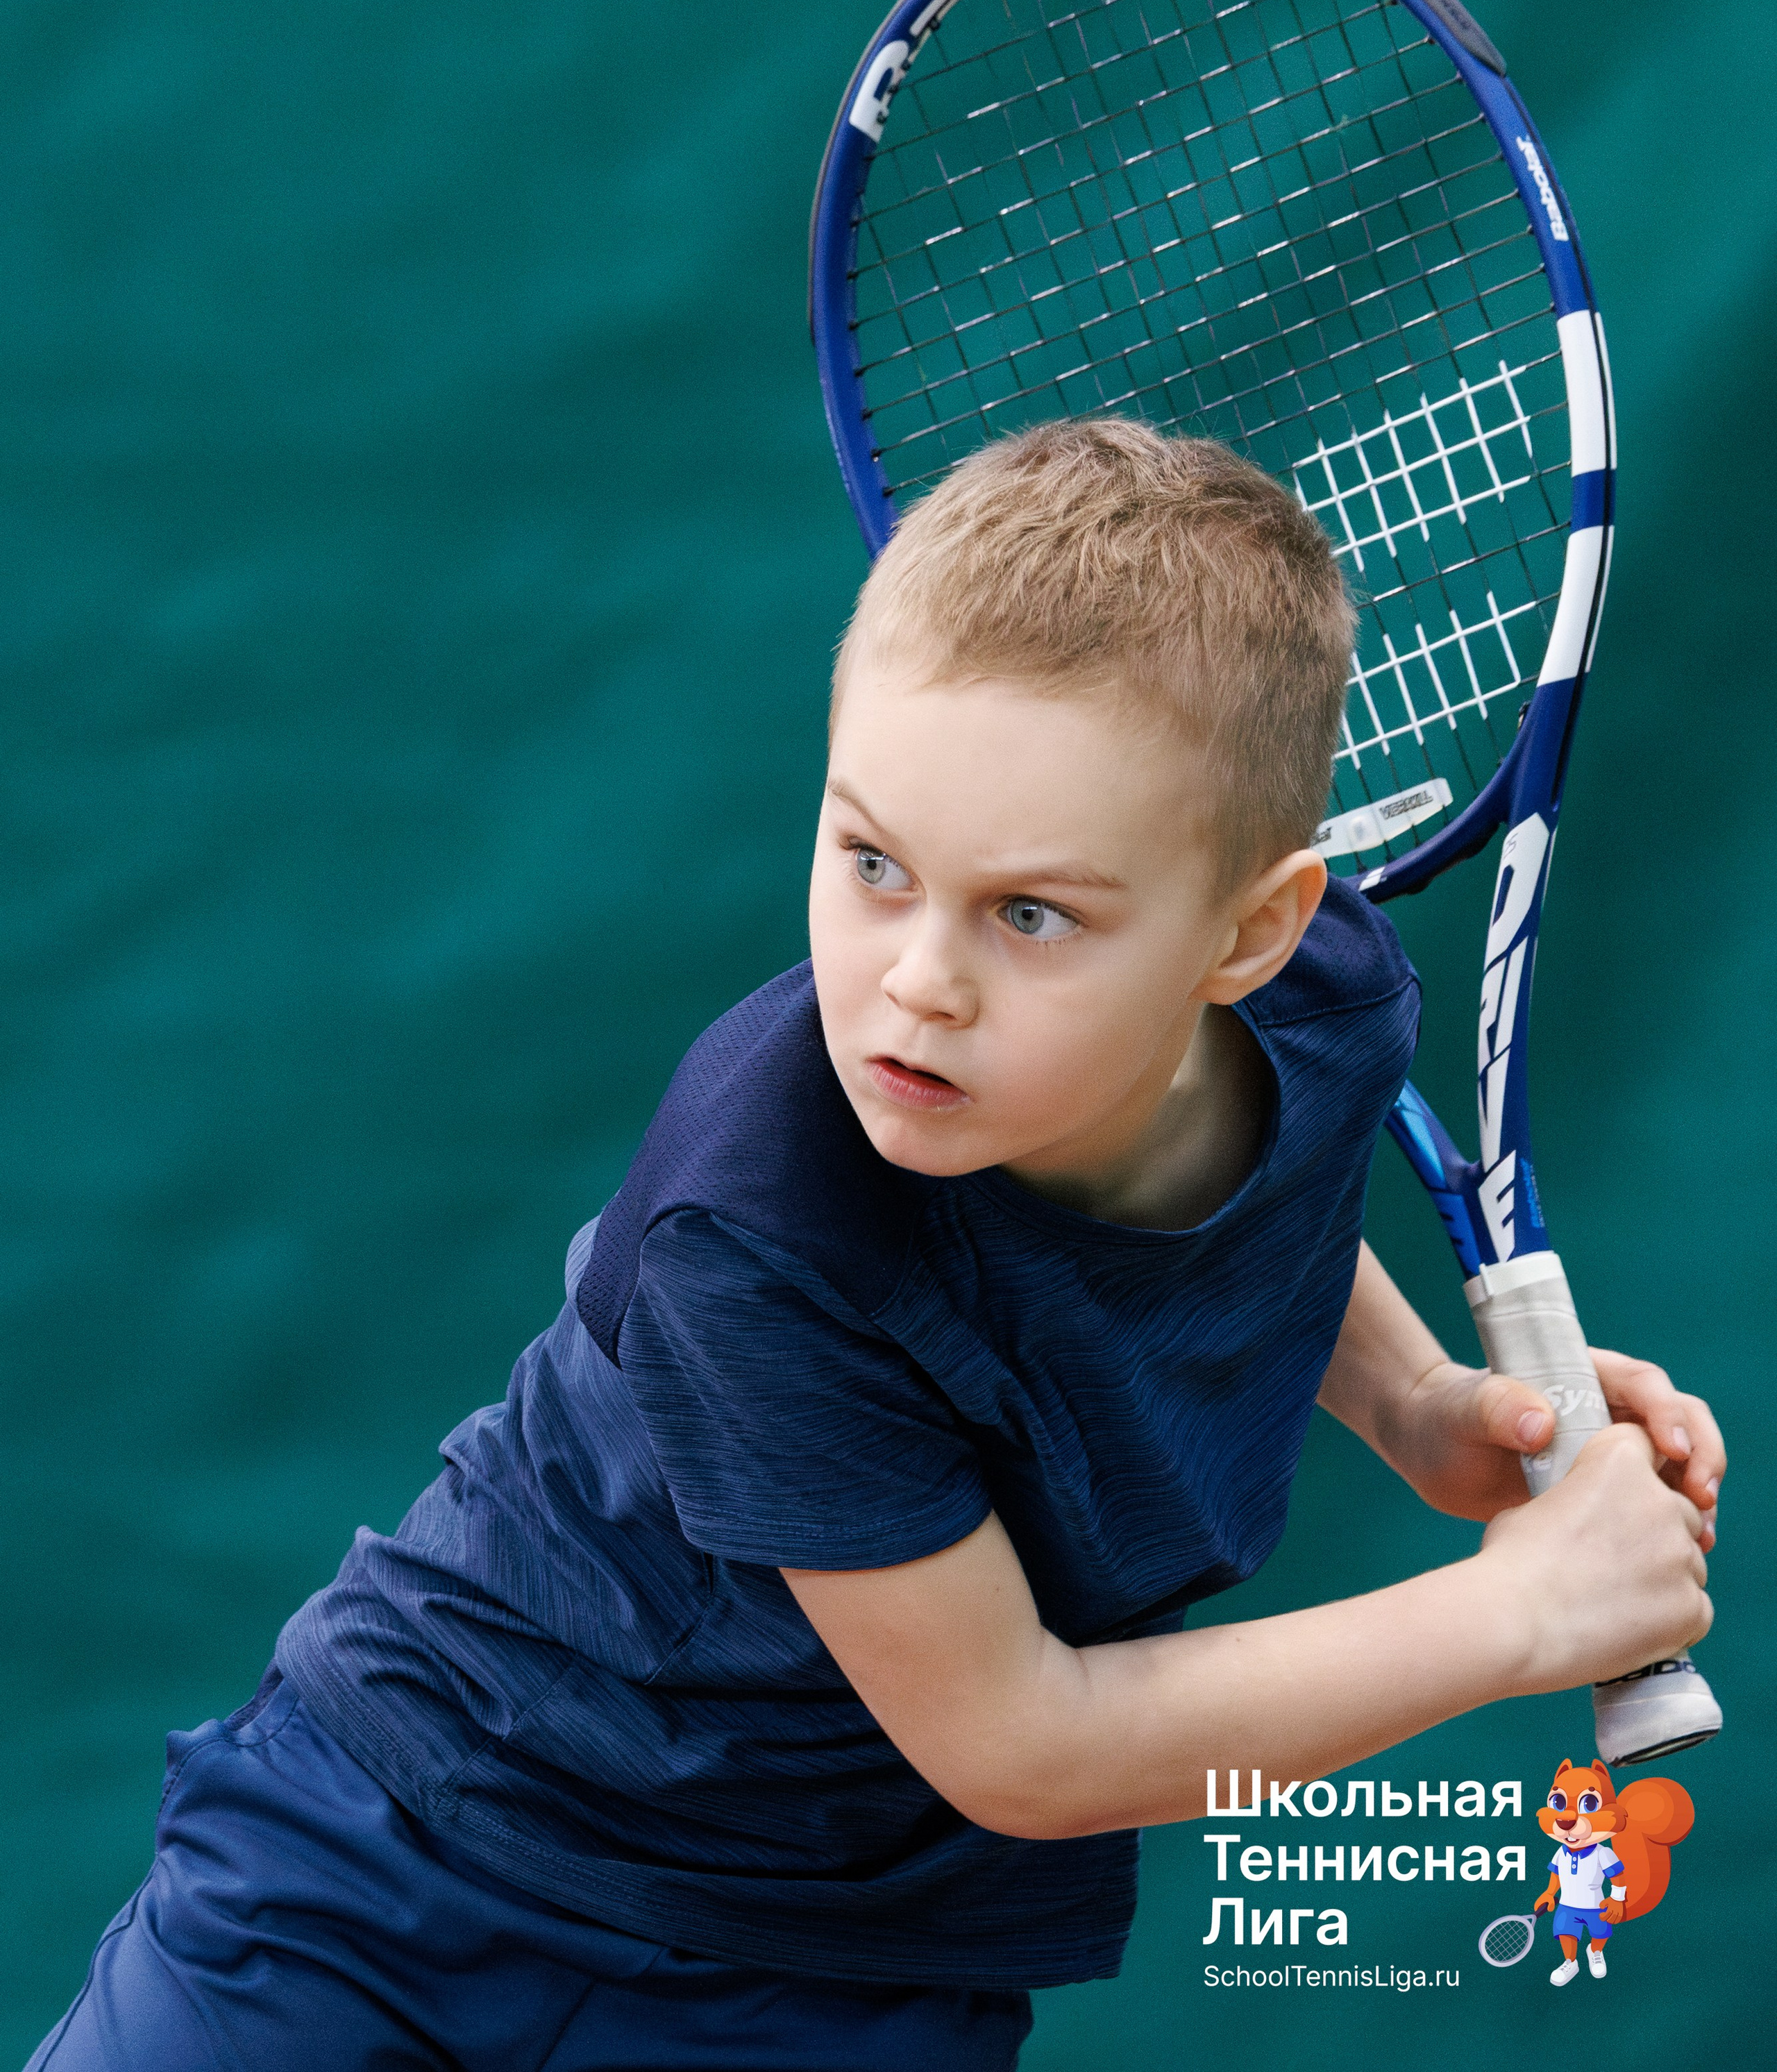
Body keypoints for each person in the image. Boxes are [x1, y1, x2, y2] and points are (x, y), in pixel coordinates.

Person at [30, 420, 1720, 2072]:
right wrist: (1519, 1614)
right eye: (871, 863)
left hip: (849, 1962)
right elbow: (1026, 1741)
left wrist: (1417, 1403)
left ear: (1251, 932)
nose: (917, 980)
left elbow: (1249, 1198)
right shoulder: (757, 1230)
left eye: (1030, 911)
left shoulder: (1326, 1008)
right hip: (391, 1860)